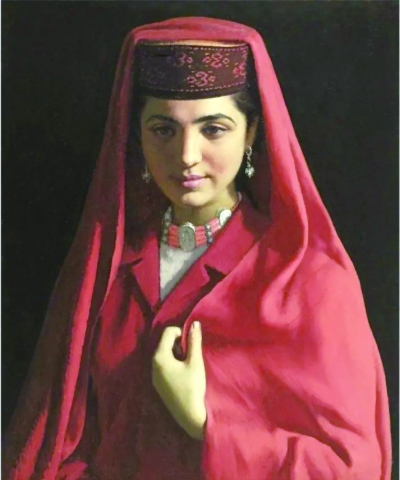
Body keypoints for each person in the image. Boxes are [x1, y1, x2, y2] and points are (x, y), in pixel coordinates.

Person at [3, 16, 392, 480]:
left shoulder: (311, 281)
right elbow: (63, 446)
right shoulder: (107, 271)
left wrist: (205, 423)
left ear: (252, 132)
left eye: (214, 129)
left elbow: (353, 469)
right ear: (136, 135)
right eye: (163, 130)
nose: (186, 155)